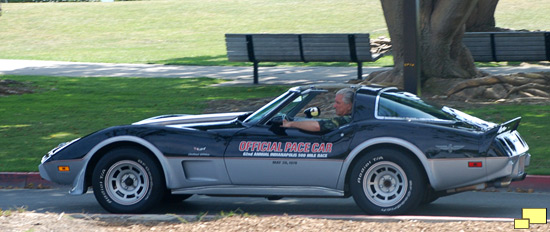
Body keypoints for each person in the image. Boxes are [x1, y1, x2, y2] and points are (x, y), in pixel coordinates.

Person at [282, 88, 354, 132]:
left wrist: (290, 124)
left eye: (338, 103)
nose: (334, 106)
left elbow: (318, 126)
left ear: (349, 106)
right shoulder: (355, 116)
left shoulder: (347, 119)